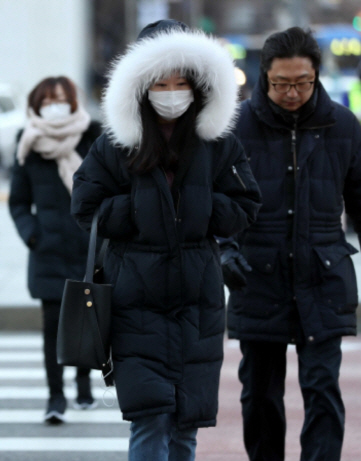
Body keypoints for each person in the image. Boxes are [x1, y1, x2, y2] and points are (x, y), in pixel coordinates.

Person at [70, 19, 261, 461]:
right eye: (160, 81)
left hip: (199, 301)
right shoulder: (116, 142)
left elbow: (247, 202)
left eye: (181, 81)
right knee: (150, 420)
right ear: (140, 84)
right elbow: (85, 205)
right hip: (135, 300)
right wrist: (141, 210)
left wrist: (199, 209)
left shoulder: (217, 140)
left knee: (185, 425)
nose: (171, 91)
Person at [220, 27, 361, 461]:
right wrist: (225, 247)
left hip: (323, 274)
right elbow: (216, 198)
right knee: (260, 395)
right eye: (282, 83)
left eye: (302, 82)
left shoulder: (343, 125)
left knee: (322, 390)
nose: (293, 92)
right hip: (258, 275)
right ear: (264, 77)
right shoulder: (236, 125)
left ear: (316, 75)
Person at [8, 76, 102, 424]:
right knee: (52, 328)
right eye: (48, 101)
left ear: (74, 102)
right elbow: (18, 202)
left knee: (86, 323)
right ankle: (55, 396)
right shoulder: (28, 143)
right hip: (47, 250)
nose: (55, 106)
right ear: (36, 105)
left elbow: (106, 190)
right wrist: (34, 236)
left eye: (62, 99)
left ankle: (83, 383)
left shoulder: (93, 136)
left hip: (85, 247)